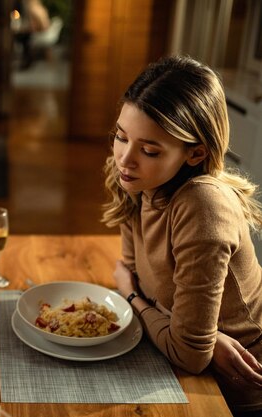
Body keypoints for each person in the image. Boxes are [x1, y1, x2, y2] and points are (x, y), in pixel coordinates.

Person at [102, 55, 262, 416]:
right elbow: (137, 275)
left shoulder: (202, 204)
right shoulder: (138, 178)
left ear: (196, 153)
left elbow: (189, 354)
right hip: (178, 364)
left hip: (232, 393)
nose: (124, 158)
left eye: (149, 150)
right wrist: (181, 328)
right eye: (120, 136)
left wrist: (130, 296)